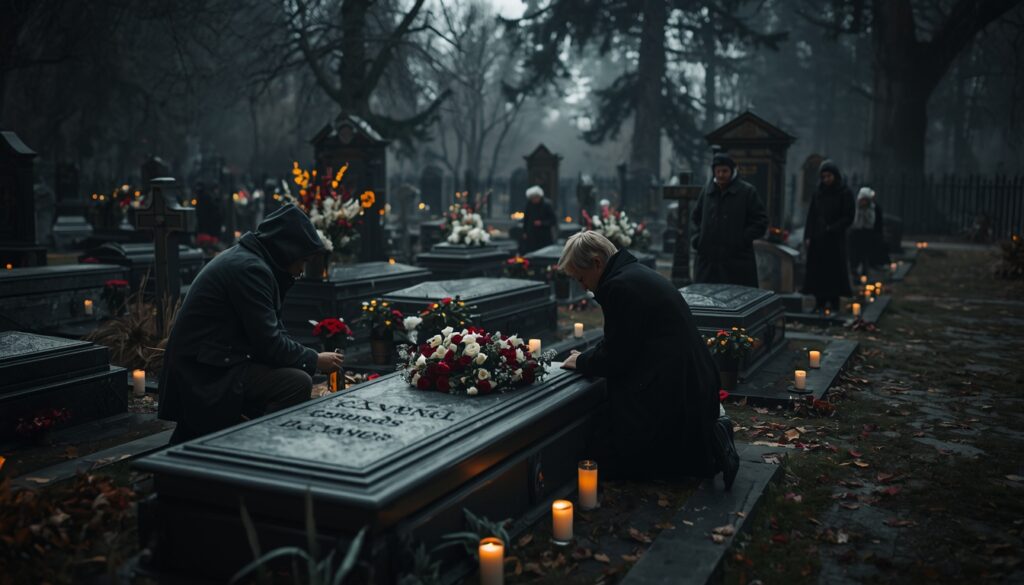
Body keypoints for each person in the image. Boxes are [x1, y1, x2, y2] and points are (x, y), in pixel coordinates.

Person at [559, 231, 740, 489]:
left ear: (597, 262)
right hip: (691, 381)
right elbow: (624, 338)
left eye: (581, 277)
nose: (583, 286)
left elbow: (617, 357)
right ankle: (708, 444)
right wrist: (589, 357)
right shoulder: (632, 274)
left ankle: (711, 447)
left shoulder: (618, 286)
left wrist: (581, 362)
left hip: (675, 391)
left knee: (604, 458)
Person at [159, 204, 344, 444]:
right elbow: (269, 343)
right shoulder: (250, 269)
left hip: (217, 360)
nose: (300, 271)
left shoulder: (253, 262)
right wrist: (314, 360)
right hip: (205, 371)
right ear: (287, 250)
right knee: (296, 382)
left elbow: (273, 331)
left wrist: (305, 356)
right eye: (302, 261)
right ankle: (260, 450)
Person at [691, 151, 768, 287]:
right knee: (705, 299)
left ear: (732, 171)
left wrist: (741, 239)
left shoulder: (747, 192)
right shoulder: (707, 191)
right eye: (718, 171)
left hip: (736, 260)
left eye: (725, 171)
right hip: (708, 260)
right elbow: (695, 218)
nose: (721, 175)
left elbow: (760, 221)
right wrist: (698, 240)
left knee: (735, 299)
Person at [802, 160, 855, 311]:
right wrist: (808, 236)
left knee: (833, 273)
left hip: (834, 240)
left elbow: (849, 216)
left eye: (829, 176)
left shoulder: (845, 192)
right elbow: (811, 215)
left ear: (835, 176)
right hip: (818, 239)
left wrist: (833, 228)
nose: (826, 180)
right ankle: (819, 303)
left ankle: (834, 303)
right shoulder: (818, 193)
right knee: (818, 273)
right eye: (823, 177)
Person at [847, 187, 889, 277]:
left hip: (868, 234)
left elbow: (874, 223)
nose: (864, 202)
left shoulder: (874, 209)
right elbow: (852, 221)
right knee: (854, 254)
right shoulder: (854, 207)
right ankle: (854, 270)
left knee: (865, 254)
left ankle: (865, 270)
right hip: (855, 234)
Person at [520, 185, 556, 253]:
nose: (534, 200)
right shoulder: (529, 205)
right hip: (532, 235)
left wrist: (542, 223)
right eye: (532, 198)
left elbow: (553, 220)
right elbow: (526, 219)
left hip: (544, 235)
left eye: (535, 198)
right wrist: (524, 232)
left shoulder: (547, 205)